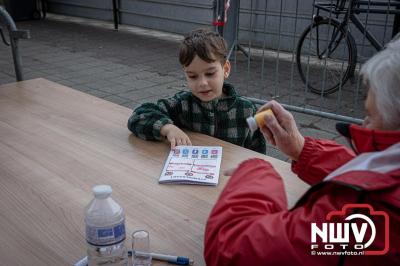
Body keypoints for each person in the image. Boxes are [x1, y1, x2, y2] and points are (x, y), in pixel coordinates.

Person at [204, 38, 400, 265]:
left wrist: (255, 169)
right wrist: (303, 149)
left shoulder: (373, 218)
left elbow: (231, 247)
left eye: (371, 115)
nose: (364, 123)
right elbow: (374, 176)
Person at [127, 28, 266, 153]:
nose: (202, 83)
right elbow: (138, 116)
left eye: (210, 74)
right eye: (192, 76)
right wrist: (167, 128)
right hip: (191, 175)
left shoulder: (247, 110)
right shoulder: (182, 103)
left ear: (226, 69)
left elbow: (258, 154)